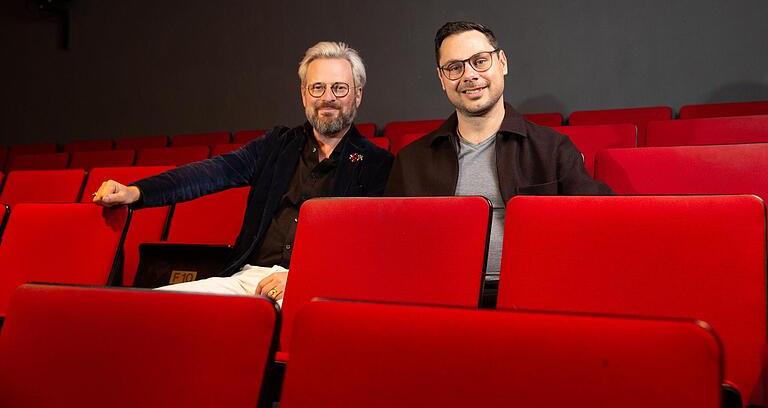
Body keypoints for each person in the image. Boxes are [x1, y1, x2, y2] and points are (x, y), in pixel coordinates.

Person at [94, 41, 393, 304]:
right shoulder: (276, 146)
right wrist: (137, 192)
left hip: (319, 286)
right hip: (247, 280)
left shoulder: (378, 165)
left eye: (339, 88)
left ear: (357, 96)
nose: (328, 97)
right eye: (318, 87)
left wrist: (305, 277)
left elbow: (369, 250)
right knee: (152, 306)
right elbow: (212, 172)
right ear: (304, 95)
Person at [385, 21, 612, 290]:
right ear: (441, 79)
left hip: (534, 297)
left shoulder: (552, 149)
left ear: (502, 62)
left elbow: (604, 225)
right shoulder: (411, 161)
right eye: (455, 68)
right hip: (442, 301)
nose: (469, 75)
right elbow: (392, 249)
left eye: (480, 61)